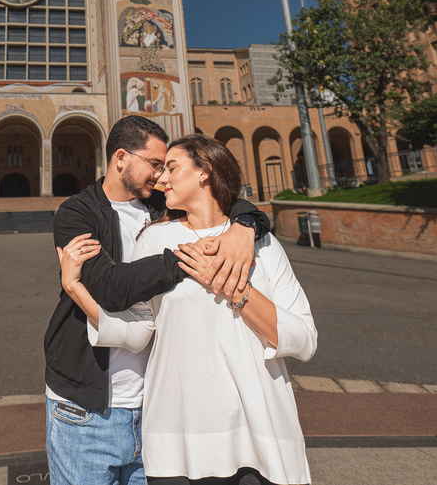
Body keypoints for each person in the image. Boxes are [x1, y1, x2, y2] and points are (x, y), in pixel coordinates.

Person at [59, 134, 317, 485]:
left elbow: (304, 339)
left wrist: (232, 285)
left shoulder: (259, 240)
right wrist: (75, 288)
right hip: (179, 434)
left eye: (171, 168)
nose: (161, 179)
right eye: (159, 168)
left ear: (204, 172)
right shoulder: (153, 239)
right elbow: (138, 330)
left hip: (260, 428)